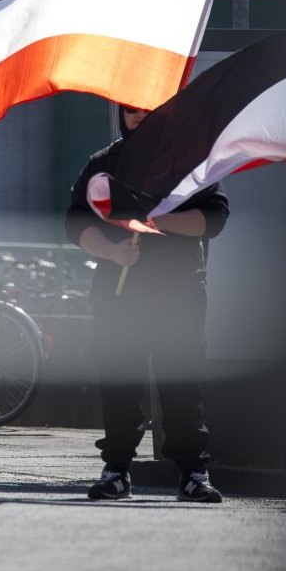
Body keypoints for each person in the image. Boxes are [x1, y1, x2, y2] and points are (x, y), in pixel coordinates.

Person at [65, 105, 229, 503]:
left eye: (148, 109)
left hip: (180, 291)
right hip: (119, 292)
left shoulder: (191, 163)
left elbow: (215, 218)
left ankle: (193, 472)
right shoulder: (104, 164)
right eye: (131, 109)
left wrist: (157, 220)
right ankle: (117, 469)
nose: (139, 115)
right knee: (120, 381)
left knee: (181, 382)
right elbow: (75, 224)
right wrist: (112, 251)